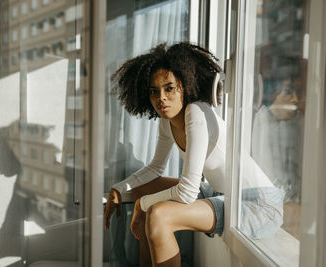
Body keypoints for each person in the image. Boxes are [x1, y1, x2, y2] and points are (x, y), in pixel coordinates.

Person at [103, 42, 284, 267]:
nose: (161, 98)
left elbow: (187, 192)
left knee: (158, 213)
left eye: (169, 88)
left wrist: (143, 204)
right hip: (219, 193)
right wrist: (119, 189)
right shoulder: (167, 122)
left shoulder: (196, 112)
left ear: (185, 86)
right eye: (154, 91)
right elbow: (155, 168)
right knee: (143, 190)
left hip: (257, 205)